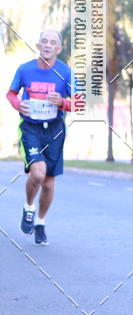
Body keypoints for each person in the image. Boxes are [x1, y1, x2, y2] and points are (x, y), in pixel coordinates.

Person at [6, 29, 72, 245]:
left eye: (52, 42)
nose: (47, 45)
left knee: (49, 184)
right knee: (38, 173)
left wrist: (62, 102)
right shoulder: (25, 69)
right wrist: (18, 104)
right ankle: (28, 206)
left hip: (54, 130)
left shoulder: (66, 72)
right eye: (44, 41)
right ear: (38, 45)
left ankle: (40, 223)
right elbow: (11, 94)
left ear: (58, 48)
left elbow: (79, 102)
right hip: (31, 128)